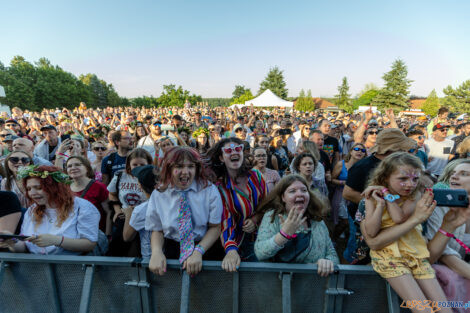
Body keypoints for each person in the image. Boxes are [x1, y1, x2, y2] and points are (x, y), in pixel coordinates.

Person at [362, 152, 451, 312]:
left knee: (444, 309)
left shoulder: (415, 195)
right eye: (403, 179)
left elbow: (398, 218)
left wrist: (388, 196)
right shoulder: (371, 198)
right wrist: (380, 205)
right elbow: (371, 231)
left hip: (416, 256)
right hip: (390, 258)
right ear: (385, 177)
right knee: (423, 310)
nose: (410, 184)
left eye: (415, 179)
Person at [146, 147, 223, 276]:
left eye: (191, 166)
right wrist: (157, 252)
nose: (185, 172)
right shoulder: (159, 193)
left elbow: (215, 227)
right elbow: (157, 229)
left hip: (205, 247)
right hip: (173, 249)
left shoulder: (209, 190)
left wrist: (198, 251)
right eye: (179, 166)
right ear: (169, 168)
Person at [0, 165, 100, 255]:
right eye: (29, 189)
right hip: (37, 269)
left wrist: (57, 241)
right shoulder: (32, 210)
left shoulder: (82, 207)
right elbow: (26, 248)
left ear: (55, 187)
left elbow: (89, 243)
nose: (32, 193)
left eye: (38, 187)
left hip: (71, 269)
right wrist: (12, 241)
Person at [254, 175, 338, 276]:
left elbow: (332, 254)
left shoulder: (317, 220)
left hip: (312, 285)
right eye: (292, 191)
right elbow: (260, 253)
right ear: (283, 197)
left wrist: (327, 262)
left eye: (304, 190)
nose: (300, 194)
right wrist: (284, 235)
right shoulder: (273, 216)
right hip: (279, 286)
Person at [208, 138, 267, 272]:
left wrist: (255, 219)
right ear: (221, 158)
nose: (234, 153)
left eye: (237, 149)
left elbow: (267, 206)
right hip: (237, 243)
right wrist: (231, 249)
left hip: (262, 238)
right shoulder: (220, 188)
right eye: (228, 151)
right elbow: (225, 220)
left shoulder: (256, 176)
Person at [424, 160, 470, 303]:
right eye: (453, 173)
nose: (454, 177)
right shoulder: (439, 206)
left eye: (464, 174)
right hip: (442, 275)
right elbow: (442, 254)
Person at [343, 128, 416, 218]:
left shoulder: (397, 163)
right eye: (402, 148)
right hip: (367, 219)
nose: (405, 151)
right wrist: (381, 206)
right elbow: (347, 193)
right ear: (392, 149)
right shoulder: (362, 166)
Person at [107, 148, 152, 256]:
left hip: (145, 218)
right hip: (125, 217)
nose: (138, 167)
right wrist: (118, 211)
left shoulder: (152, 177)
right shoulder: (120, 176)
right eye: (135, 164)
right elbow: (112, 194)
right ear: (129, 165)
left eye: (142, 164)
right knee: (121, 248)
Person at [330, 143, 367, 242]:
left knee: (352, 220)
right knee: (343, 221)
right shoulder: (341, 164)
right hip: (340, 195)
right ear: (351, 151)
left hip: (355, 196)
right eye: (357, 149)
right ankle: (333, 239)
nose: (359, 151)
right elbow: (332, 179)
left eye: (363, 151)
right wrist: (344, 182)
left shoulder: (364, 167)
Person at [66, 156, 109, 234]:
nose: (73, 168)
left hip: (95, 233)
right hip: (72, 234)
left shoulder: (99, 187)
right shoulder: (65, 187)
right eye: (69, 166)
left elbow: (109, 212)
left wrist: (108, 235)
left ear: (87, 168)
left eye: (77, 165)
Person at [123, 165, 157, 258]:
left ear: (140, 185)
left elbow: (127, 237)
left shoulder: (141, 209)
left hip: (150, 258)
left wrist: (128, 214)